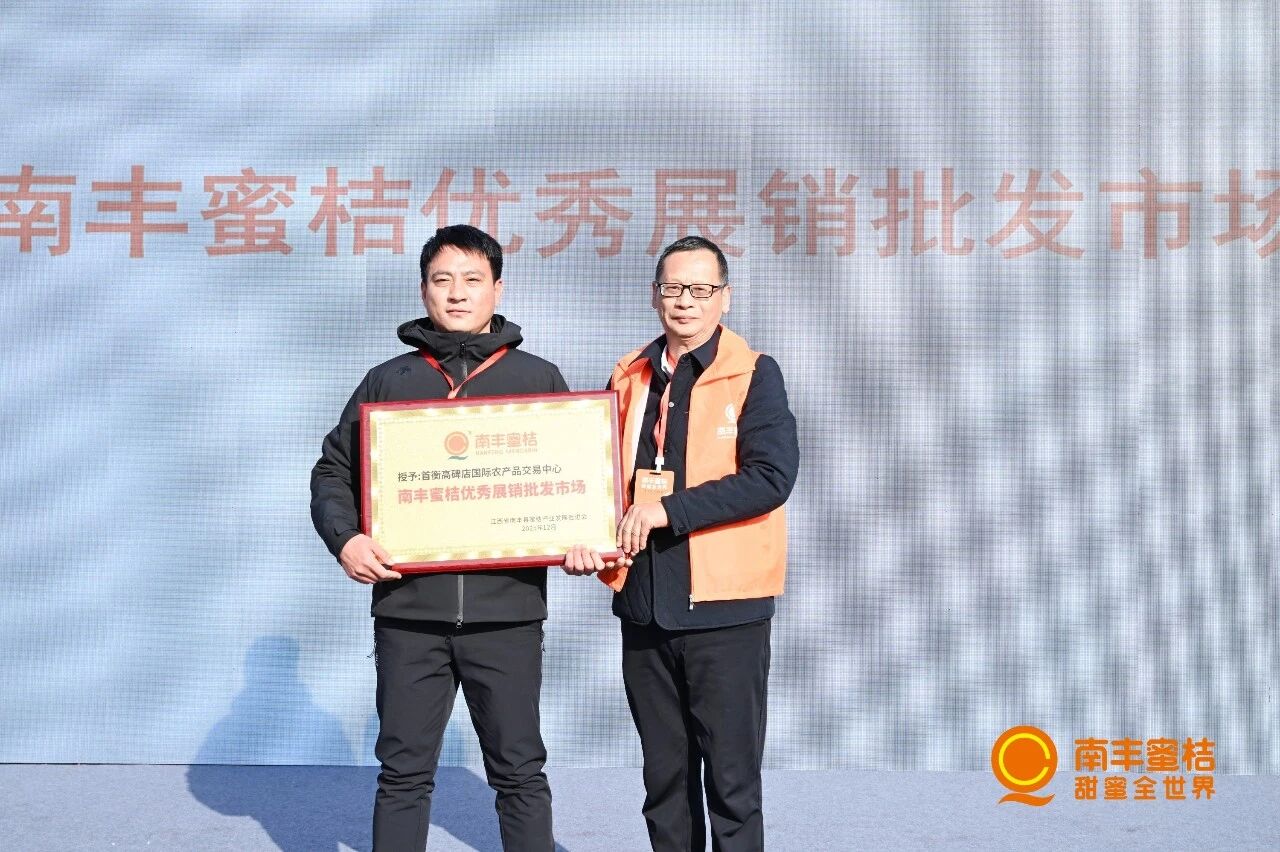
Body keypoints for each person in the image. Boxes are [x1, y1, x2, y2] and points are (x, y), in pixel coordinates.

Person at [311, 224, 565, 852]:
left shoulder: (539, 379)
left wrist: (583, 537)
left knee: (519, 772)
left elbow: (576, 483)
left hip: (506, 614)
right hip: (409, 614)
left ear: (497, 289)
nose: (457, 293)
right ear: (423, 290)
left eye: (472, 280)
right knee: (402, 773)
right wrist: (346, 540)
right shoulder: (388, 381)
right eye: (442, 280)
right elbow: (333, 472)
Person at [564, 236, 799, 851]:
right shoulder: (629, 375)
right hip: (645, 606)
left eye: (700, 289)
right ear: (655, 295)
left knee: (732, 784)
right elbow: (597, 479)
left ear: (725, 297)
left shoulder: (754, 373)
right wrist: (584, 538)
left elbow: (770, 478)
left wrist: (667, 510)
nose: (685, 301)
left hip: (725, 614)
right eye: (673, 288)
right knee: (664, 782)